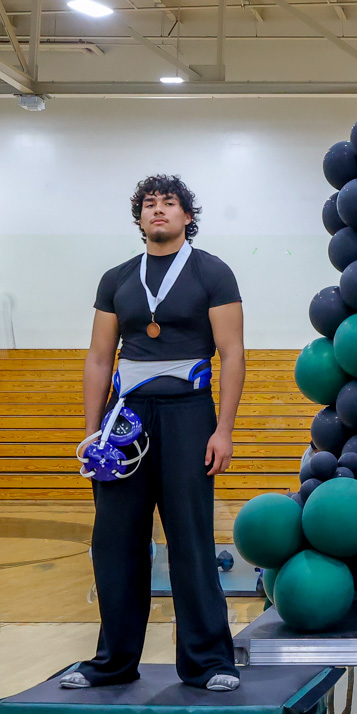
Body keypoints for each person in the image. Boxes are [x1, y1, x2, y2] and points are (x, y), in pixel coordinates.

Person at [62, 175, 245, 690]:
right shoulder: (117, 278)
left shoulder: (212, 272)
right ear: (139, 217)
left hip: (189, 415)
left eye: (169, 203)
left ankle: (208, 663)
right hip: (126, 418)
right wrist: (93, 433)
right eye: (149, 203)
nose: (157, 210)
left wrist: (224, 430)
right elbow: (99, 357)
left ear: (188, 216)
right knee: (115, 541)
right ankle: (112, 663)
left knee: (190, 540)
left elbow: (232, 354)